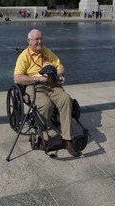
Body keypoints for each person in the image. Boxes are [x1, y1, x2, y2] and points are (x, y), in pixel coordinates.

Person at [14, 29, 81, 157]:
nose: (40, 41)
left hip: (51, 84)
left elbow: (60, 66)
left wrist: (58, 75)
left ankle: (67, 139)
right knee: (46, 104)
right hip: (33, 86)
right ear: (29, 41)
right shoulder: (24, 56)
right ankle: (42, 139)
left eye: (41, 38)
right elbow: (17, 78)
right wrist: (37, 78)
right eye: (36, 39)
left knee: (66, 99)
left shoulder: (47, 51)